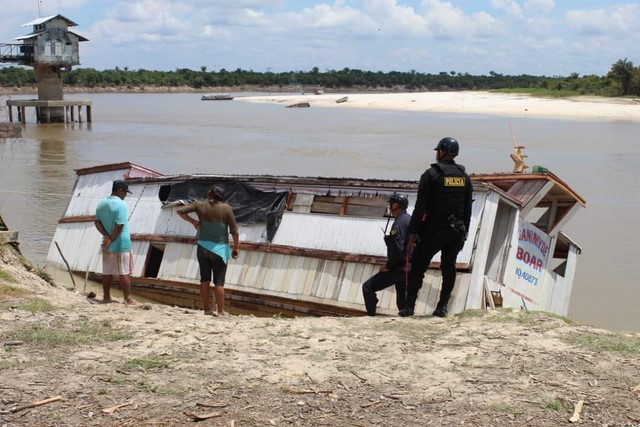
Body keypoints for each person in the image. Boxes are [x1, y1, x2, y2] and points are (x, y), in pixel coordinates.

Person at [399, 137, 473, 318]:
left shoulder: (431, 175)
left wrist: (413, 231)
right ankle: (442, 307)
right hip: (457, 230)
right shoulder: (464, 177)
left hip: (433, 229)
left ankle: (409, 307)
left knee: (418, 267)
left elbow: (420, 207)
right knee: (449, 267)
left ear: (442, 152)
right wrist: (465, 231)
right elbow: (467, 208)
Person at [177, 186, 240, 316]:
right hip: (220, 249)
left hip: (202, 247)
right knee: (219, 282)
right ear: (222, 196)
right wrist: (236, 247)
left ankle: (206, 309)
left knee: (204, 280)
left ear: (209, 193)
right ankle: (221, 311)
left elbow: (180, 211)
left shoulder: (199, 205)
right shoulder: (226, 208)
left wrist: (193, 221)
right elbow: (234, 231)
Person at [362, 193, 410, 316]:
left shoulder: (399, 224)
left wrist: (388, 266)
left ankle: (371, 315)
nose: (389, 207)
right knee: (402, 297)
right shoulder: (408, 219)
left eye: (390, 204)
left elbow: (398, 249)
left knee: (368, 287)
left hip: (400, 266)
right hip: (410, 266)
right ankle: (405, 318)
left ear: (395, 205)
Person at [94, 179, 135, 304]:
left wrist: (106, 236)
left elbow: (97, 222)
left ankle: (106, 297)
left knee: (107, 272)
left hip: (107, 243)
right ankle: (127, 299)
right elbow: (120, 225)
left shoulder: (102, 203)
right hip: (120, 243)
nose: (126, 195)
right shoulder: (121, 205)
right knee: (124, 272)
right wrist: (111, 239)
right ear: (119, 191)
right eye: (125, 192)